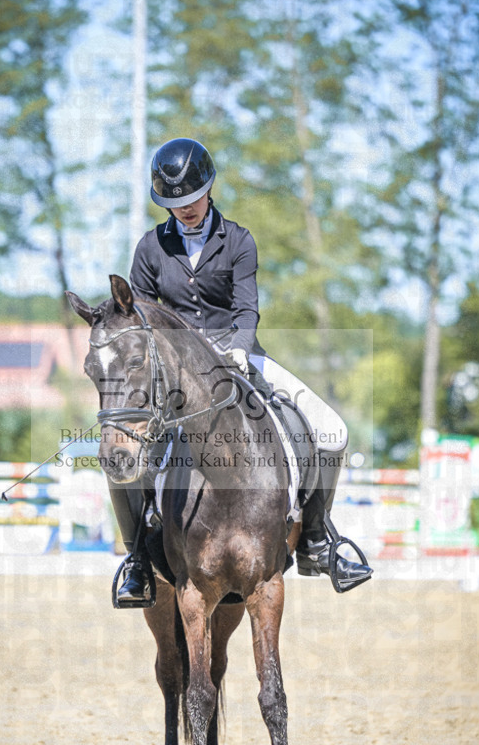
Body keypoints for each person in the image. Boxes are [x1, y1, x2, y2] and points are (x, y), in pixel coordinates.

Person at [110, 137, 372, 603]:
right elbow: (142, 318)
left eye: (191, 199)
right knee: (119, 454)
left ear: (208, 189)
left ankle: (316, 538)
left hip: (239, 355)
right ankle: (136, 560)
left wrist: (236, 350)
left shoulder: (238, 240)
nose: (185, 209)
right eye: (174, 203)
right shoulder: (151, 248)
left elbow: (247, 309)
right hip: (177, 371)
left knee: (332, 429)